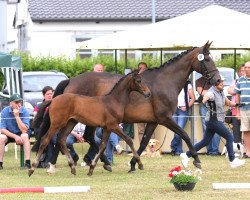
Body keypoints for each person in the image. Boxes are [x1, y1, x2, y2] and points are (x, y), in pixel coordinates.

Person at [180, 76, 246, 168]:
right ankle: (232, 160)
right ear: (215, 83)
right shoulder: (211, 92)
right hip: (213, 120)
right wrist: (204, 99)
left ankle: (186, 155)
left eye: (223, 81)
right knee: (230, 137)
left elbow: (228, 103)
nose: (223, 83)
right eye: (220, 82)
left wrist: (238, 104)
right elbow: (206, 97)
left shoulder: (221, 92)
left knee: (205, 141)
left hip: (214, 120)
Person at [83, 63, 123, 165]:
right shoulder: (89, 84)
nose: (100, 72)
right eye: (98, 70)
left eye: (101, 70)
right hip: (93, 117)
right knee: (98, 138)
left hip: (106, 117)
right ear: (93, 71)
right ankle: (112, 151)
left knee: (110, 132)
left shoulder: (107, 85)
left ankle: (106, 158)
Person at [0, 93, 31, 169]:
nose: (19, 104)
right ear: (11, 104)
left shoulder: (25, 111)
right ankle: (0, 163)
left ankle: (27, 163)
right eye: (17, 102)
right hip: (10, 133)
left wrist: (17, 117)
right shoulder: (4, 111)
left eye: (20, 102)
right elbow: (3, 129)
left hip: (22, 133)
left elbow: (24, 130)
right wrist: (15, 136)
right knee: (1, 137)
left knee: (25, 136)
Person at [196, 76, 221, 155]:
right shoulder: (199, 80)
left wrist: (207, 92)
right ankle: (209, 150)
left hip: (215, 105)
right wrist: (213, 92)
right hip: (204, 105)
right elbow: (201, 92)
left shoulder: (217, 79)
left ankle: (214, 150)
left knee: (217, 127)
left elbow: (219, 90)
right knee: (206, 128)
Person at [170, 80, 195, 156]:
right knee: (176, 131)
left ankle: (173, 146)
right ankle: (178, 151)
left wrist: (187, 107)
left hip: (182, 110)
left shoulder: (188, 85)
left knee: (179, 130)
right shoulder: (173, 84)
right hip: (174, 110)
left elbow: (193, 98)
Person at [33, 86, 54, 168]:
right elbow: (36, 116)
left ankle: (45, 160)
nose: (50, 95)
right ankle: (44, 160)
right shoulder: (38, 105)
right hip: (40, 128)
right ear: (43, 95)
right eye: (47, 94)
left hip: (52, 128)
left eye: (51, 94)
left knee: (50, 138)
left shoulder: (55, 104)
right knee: (44, 136)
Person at [235, 61, 250, 158]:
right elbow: (237, 97)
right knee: (246, 131)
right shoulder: (240, 80)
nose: (247, 69)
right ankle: (248, 152)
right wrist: (237, 112)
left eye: (249, 68)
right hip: (243, 108)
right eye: (246, 67)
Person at [227, 65, 245, 143]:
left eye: (244, 70)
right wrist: (238, 90)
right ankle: (237, 149)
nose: (243, 72)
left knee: (247, 131)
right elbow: (229, 90)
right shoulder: (236, 81)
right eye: (241, 71)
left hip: (246, 110)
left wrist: (236, 90)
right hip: (235, 111)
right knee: (236, 131)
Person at [136, 62, 149, 142]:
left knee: (150, 129)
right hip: (139, 108)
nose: (142, 70)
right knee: (141, 129)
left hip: (149, 108)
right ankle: (142, 148)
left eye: (144, 68)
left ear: (147, 69)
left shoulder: (150, 79)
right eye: (140, 68)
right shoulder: (135, 80)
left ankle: (152, 149)